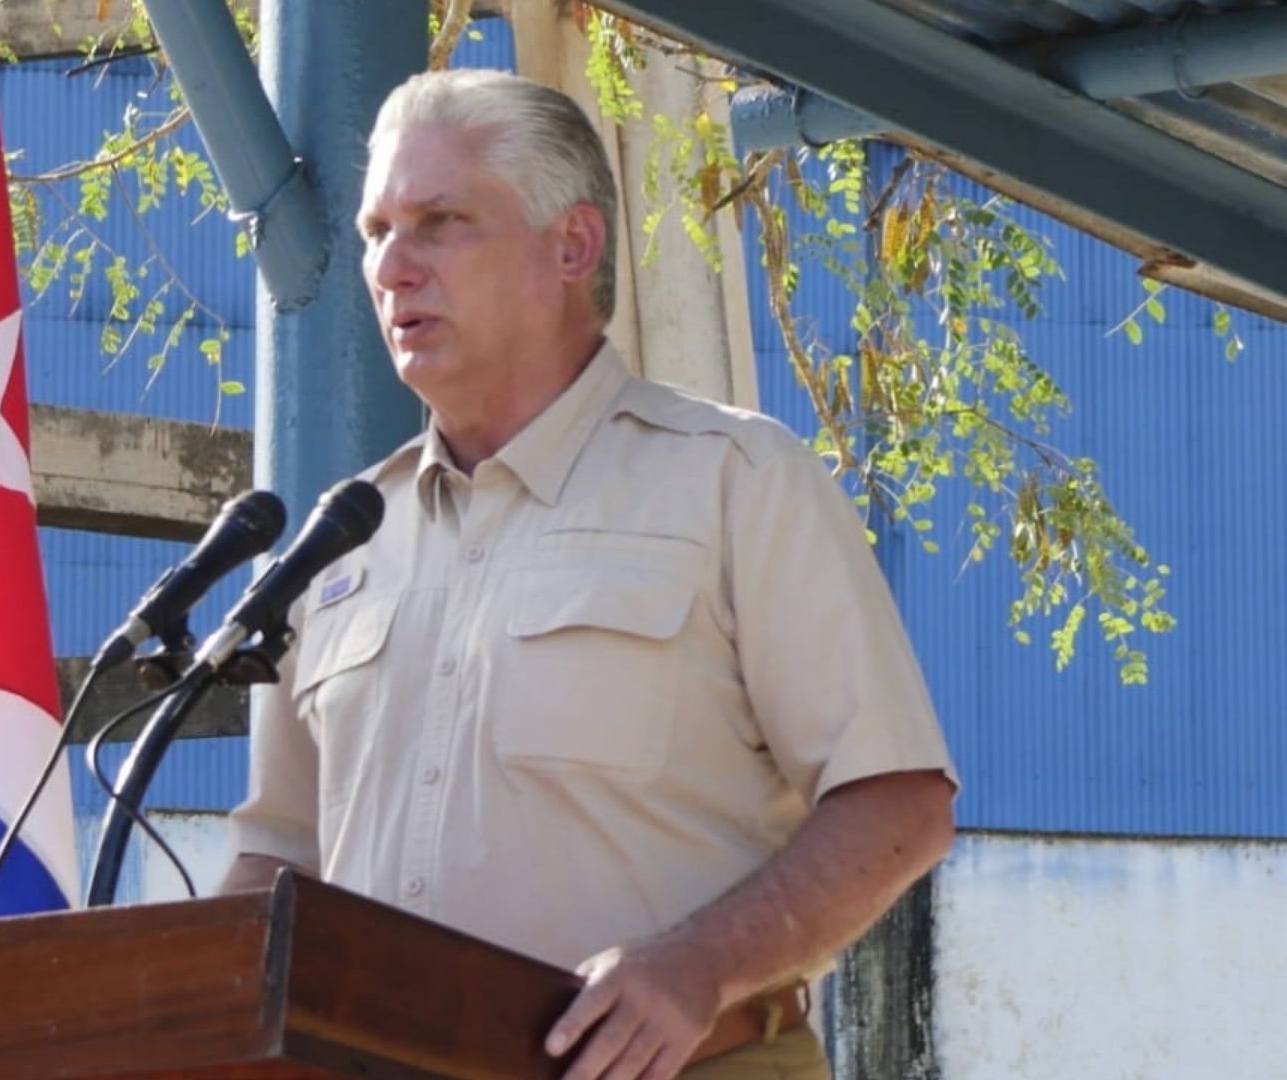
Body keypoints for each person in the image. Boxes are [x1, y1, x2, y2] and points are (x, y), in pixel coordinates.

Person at [221, 68, 957, 1080]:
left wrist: (698, 967)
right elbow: (277, 865)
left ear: (572, 245)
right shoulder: (340, 542)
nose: (393, 266)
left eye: (439, 221)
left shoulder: (735, 483)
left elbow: (897, 806)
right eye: (376, 229)